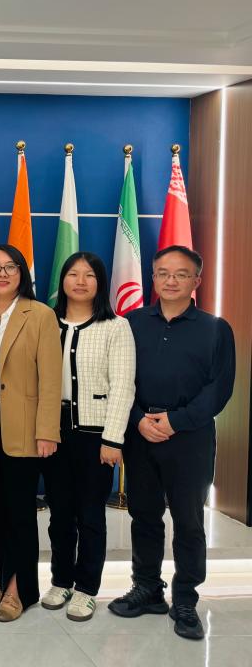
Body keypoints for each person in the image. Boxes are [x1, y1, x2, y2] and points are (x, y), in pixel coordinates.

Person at [108, 245, 235, 640]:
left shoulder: (215, 328)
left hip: (190, 439)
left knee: (189, 521)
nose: (171, 281)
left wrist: (176, 421)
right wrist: (137, 420)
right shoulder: (131, 323)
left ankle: (185, 599)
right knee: (143, 515)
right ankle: (147, 588)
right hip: (141, 433)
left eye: (181, 274)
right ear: (153, 278)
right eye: (163, 273)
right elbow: (118, 379)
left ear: (197, 280)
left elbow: (219, 390)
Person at [39, 252, 135, 622]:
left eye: (89, 275)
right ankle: (61, 580)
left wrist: (113, 439)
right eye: (73, 274)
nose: (81, 281)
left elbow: (123, 386)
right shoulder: (46, 323)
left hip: (96, 435)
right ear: (62, 280)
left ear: (100, 282)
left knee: (91, 514)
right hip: (53, 432)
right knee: (59, 514)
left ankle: (87, 588)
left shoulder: (116, 327)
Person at [0, 243, 60, 622]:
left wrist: (47, 430)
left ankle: (20, 589)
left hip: (24, 423)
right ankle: (4, 575)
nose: (2, 273)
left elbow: (51, 379)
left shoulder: (39, 315)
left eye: (10, 267)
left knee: (20, 510)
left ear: (22, 272)